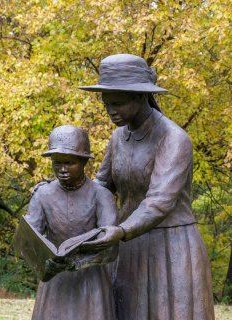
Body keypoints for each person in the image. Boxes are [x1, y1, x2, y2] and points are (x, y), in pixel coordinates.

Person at [80, 54, 215, 319]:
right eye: (106, 104)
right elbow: (103, 185)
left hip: (169, 245)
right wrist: (66, 195)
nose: (110, 111)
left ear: (141, 96)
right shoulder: (120, 136)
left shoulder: (174, 138)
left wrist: (120, 230)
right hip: (128, 243)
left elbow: (159, 201)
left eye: (117, 103)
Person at [25, 125, 118, 320]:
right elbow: (29, 239)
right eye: (57, 163)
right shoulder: (42, 195)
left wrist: (79, 262)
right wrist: (43, 262)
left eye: (69, 163)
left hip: (91, 279)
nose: (62, 169)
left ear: (84, 161)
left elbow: (111, 247)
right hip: (55, 280)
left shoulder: (102, 196)